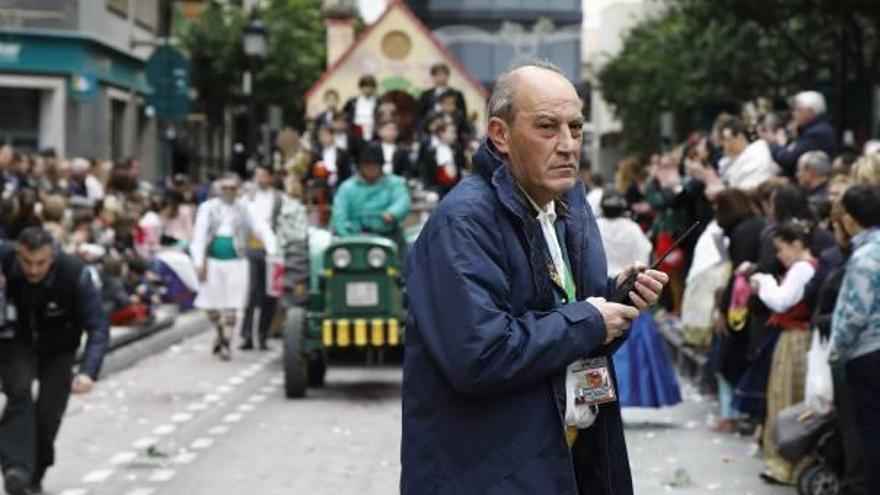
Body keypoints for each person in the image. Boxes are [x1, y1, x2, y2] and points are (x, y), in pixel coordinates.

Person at [402, 61, 668, 494]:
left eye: (576, 128)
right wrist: (591, 319)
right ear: (500, 135)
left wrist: (615, 301)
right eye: (547, 127)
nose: (567, 145)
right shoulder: (464, 223)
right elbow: (481, 355)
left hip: (566, 462)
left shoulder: (569, 208)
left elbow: (559, 317)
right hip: (493, 475)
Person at [0, 227, 109, 495]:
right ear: (18, 255)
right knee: (19, 393)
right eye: (27, 262)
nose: (33, 270)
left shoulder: (74, 274)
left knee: (48, 414)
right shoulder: (5, 258)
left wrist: (88, 371)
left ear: (53, 257)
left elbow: (98, 326)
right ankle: (15, 469)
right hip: (19, 341)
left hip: (60, 348)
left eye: (41, 263)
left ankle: (34, 473)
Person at [749, 222, 817, 485]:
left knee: (785, 395)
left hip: (794, 339)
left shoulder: (801, 268)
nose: (779, 256)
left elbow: (781, 301)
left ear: (796, 244)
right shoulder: (807, 268)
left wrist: (763, 281)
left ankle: (785, 464)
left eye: (781, 249)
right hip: (796, 337)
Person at [190, 173, 277, 360]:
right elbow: (198, 236)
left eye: (232, 188)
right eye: (225, 188)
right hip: (213, 262)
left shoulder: (247, 208)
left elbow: (262, 228)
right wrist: (198, 262)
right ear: (218, 189)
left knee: (233, 304)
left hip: (238, 261)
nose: (228, 192)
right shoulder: (207, 208)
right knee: (209, 304)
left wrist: (272, 250)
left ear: (237, 189)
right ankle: (220, 333)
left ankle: (227, 343)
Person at [831, 184, 880, 494]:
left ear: (849, 219)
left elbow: (856, 312)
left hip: (866, 353)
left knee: (867, 431)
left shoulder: (865, 257)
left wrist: (837, 348)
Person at [240, 165, 284, 351]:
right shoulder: (247, 198)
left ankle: (263, 334)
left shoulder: (279, 199)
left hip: (272, 250)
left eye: (264, 175)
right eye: (258, 176)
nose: (260, 179)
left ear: (271, 177)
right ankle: (247, 335)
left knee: (269, 294)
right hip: (252, 248)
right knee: (251, 292)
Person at [330, 145, 410, 238]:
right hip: (353, 234)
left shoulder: (395, 183)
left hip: (387, 233)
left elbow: (402, 201)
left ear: (381, 166)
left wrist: (393, 213)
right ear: (360, 166)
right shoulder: (347, 187)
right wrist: (345, 236)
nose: (370, 168)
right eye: (366, 165)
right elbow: (339, 213)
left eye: (374, 165)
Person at [761, 90, 838, 177]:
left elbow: (788, 160)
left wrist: (773, 141)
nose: (793, 114)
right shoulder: (812, 129)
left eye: (798, 110)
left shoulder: (816, 133)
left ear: (810, 111)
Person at [717, 117, 780, 190]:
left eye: (727, 140)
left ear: (739, 137)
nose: (725, 146)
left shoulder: (758, 152)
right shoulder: (728, 162)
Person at [343, 75, 379, 141]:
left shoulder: (378, 102)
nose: (368, 89)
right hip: (356, 131)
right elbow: (345, 115)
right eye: (365, 86)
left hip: (372, 131)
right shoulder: (352, 101)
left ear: (374, 88)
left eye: (370, 86)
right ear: (361, 87)